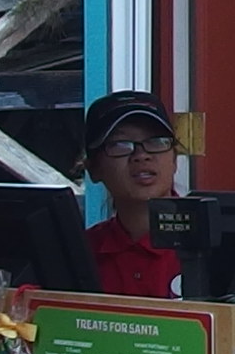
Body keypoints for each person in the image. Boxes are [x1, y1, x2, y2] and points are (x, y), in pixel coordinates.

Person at [76, 90, 185, 297]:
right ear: (93, 169)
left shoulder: (212, 248)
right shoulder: (78, 254)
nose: (141, 155)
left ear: (174, 160)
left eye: (156, 141)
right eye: (121, 145)